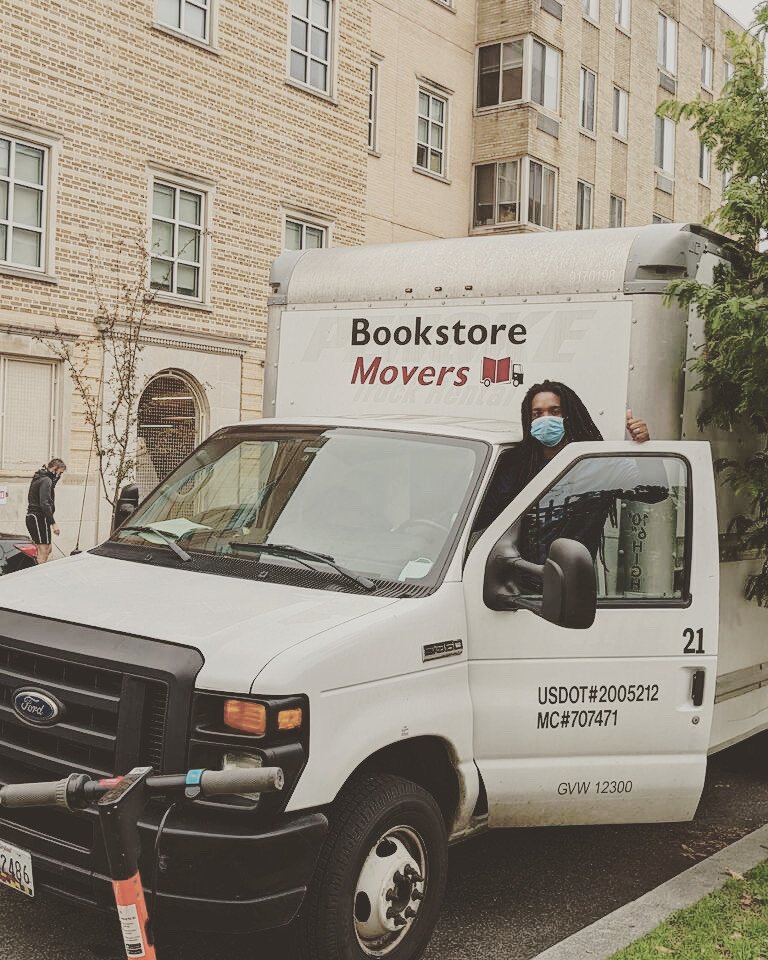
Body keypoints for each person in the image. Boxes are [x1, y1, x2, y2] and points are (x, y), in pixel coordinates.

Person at [472, 380, 662, 566]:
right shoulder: (517, 467)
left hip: (571, 579)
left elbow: (655, 492)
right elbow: (481, 516)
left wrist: (645, 447)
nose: (546, 419)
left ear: (569, 415)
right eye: (537, 414)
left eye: (555, 411)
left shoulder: (598, 466)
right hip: (519, 578)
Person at [26, 458, 66, 564]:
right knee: (43, 549)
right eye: (60, 473)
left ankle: (35, 565)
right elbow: (45, 503)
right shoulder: (46, 480)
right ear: (54, 469)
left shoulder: (41, 477)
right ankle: (39, 573)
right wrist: (53, 524)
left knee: (48, 548)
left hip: (37, 517)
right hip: (38, 517)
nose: (60, 476)